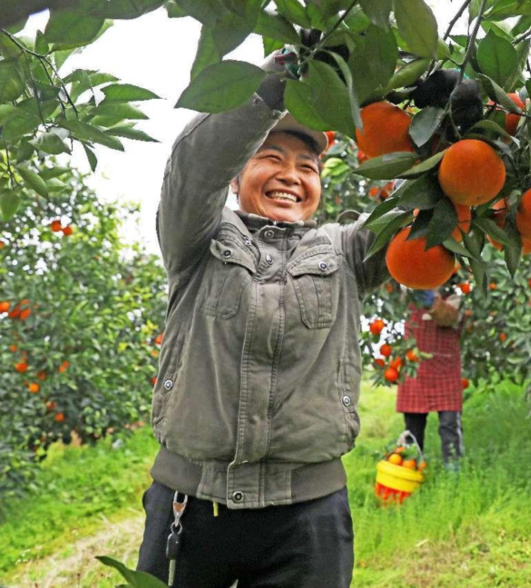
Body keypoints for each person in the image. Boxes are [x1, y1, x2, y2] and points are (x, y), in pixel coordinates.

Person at [136, 49, 390, 588]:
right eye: (269, 157)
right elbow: (193, 169)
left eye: (306, 166)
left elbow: (419, 211)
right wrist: (272, 88)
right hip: (192, 506)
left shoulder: (345, 249)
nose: (289, 176)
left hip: (307, 516)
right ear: (237, 174)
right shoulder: (197, 238)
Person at [395, 287, 465, 470]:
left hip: (445, 370)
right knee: (413, 429)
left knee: (449, 426)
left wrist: (431, 301)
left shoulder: (454, 295)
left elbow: (449, 317)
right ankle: (411, 471)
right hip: (415, 371)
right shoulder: (408, 293)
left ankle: (454, 472)